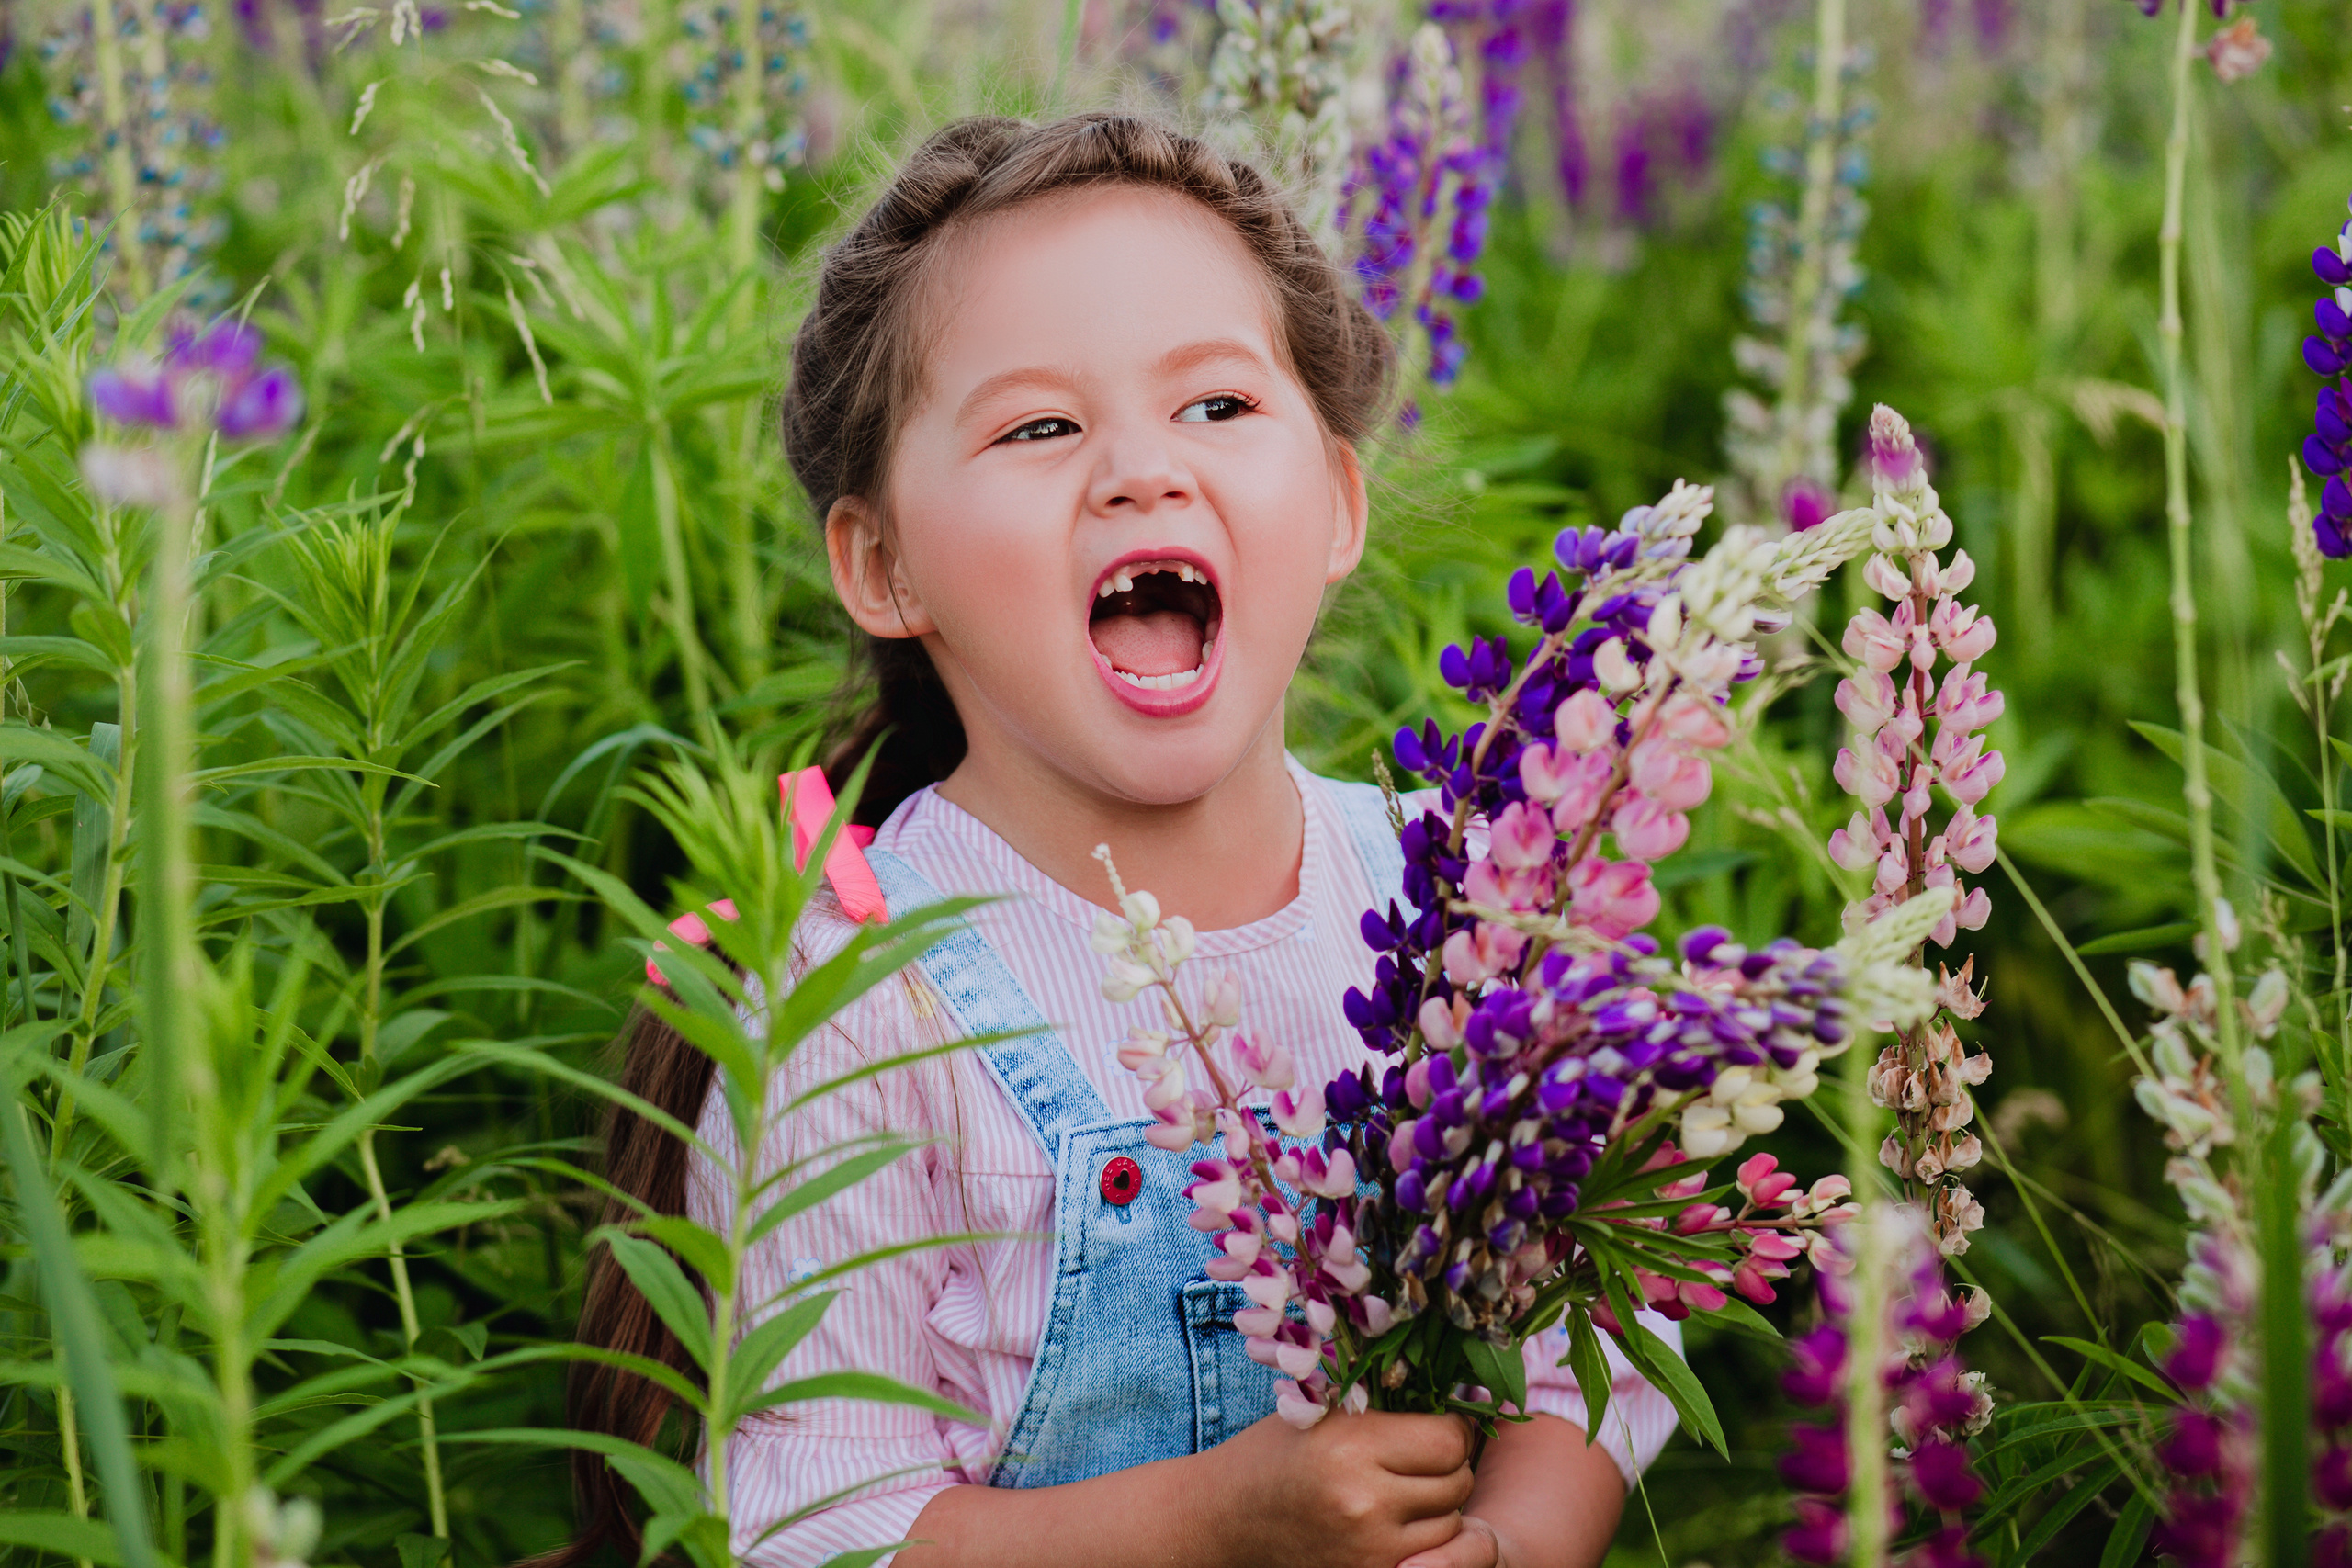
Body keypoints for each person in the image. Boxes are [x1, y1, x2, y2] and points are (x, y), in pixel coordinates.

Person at [566, 112, 1681, 1568]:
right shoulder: (852, 994)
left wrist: (1518, 1544)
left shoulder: (1482, 896)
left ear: (1339, 499)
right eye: (1040, 427)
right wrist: (1217, 1529)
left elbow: (1591, 1342)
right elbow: (811, 1522)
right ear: (884, 564)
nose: (1141, 471)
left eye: (1217, 406)